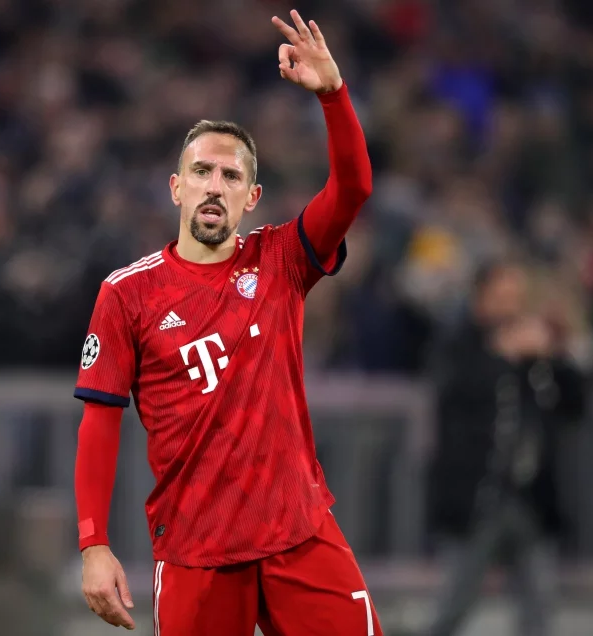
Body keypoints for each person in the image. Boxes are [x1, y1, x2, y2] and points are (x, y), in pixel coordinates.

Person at [73, 10, 379, 635]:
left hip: (298, 530)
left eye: (231, 175)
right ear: (176, 187)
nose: (215, 185)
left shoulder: (283, 259)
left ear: (252, 197)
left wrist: (333, 95)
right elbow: (99, 420)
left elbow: (353, 189)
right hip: (197, 548)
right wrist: (93, 543)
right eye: (202, 172)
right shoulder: (127, 294)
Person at [424, 261, 587, 636]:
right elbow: (454, 392)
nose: (509, 308)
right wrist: (502, 356)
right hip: (478, 499)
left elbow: (576, 404)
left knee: (539, 604)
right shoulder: (459, 343)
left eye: (515, 298)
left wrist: (553, 353)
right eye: (501, 298)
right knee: (454, 604)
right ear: (480, 299)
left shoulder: (536, 351)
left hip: (530, 499)